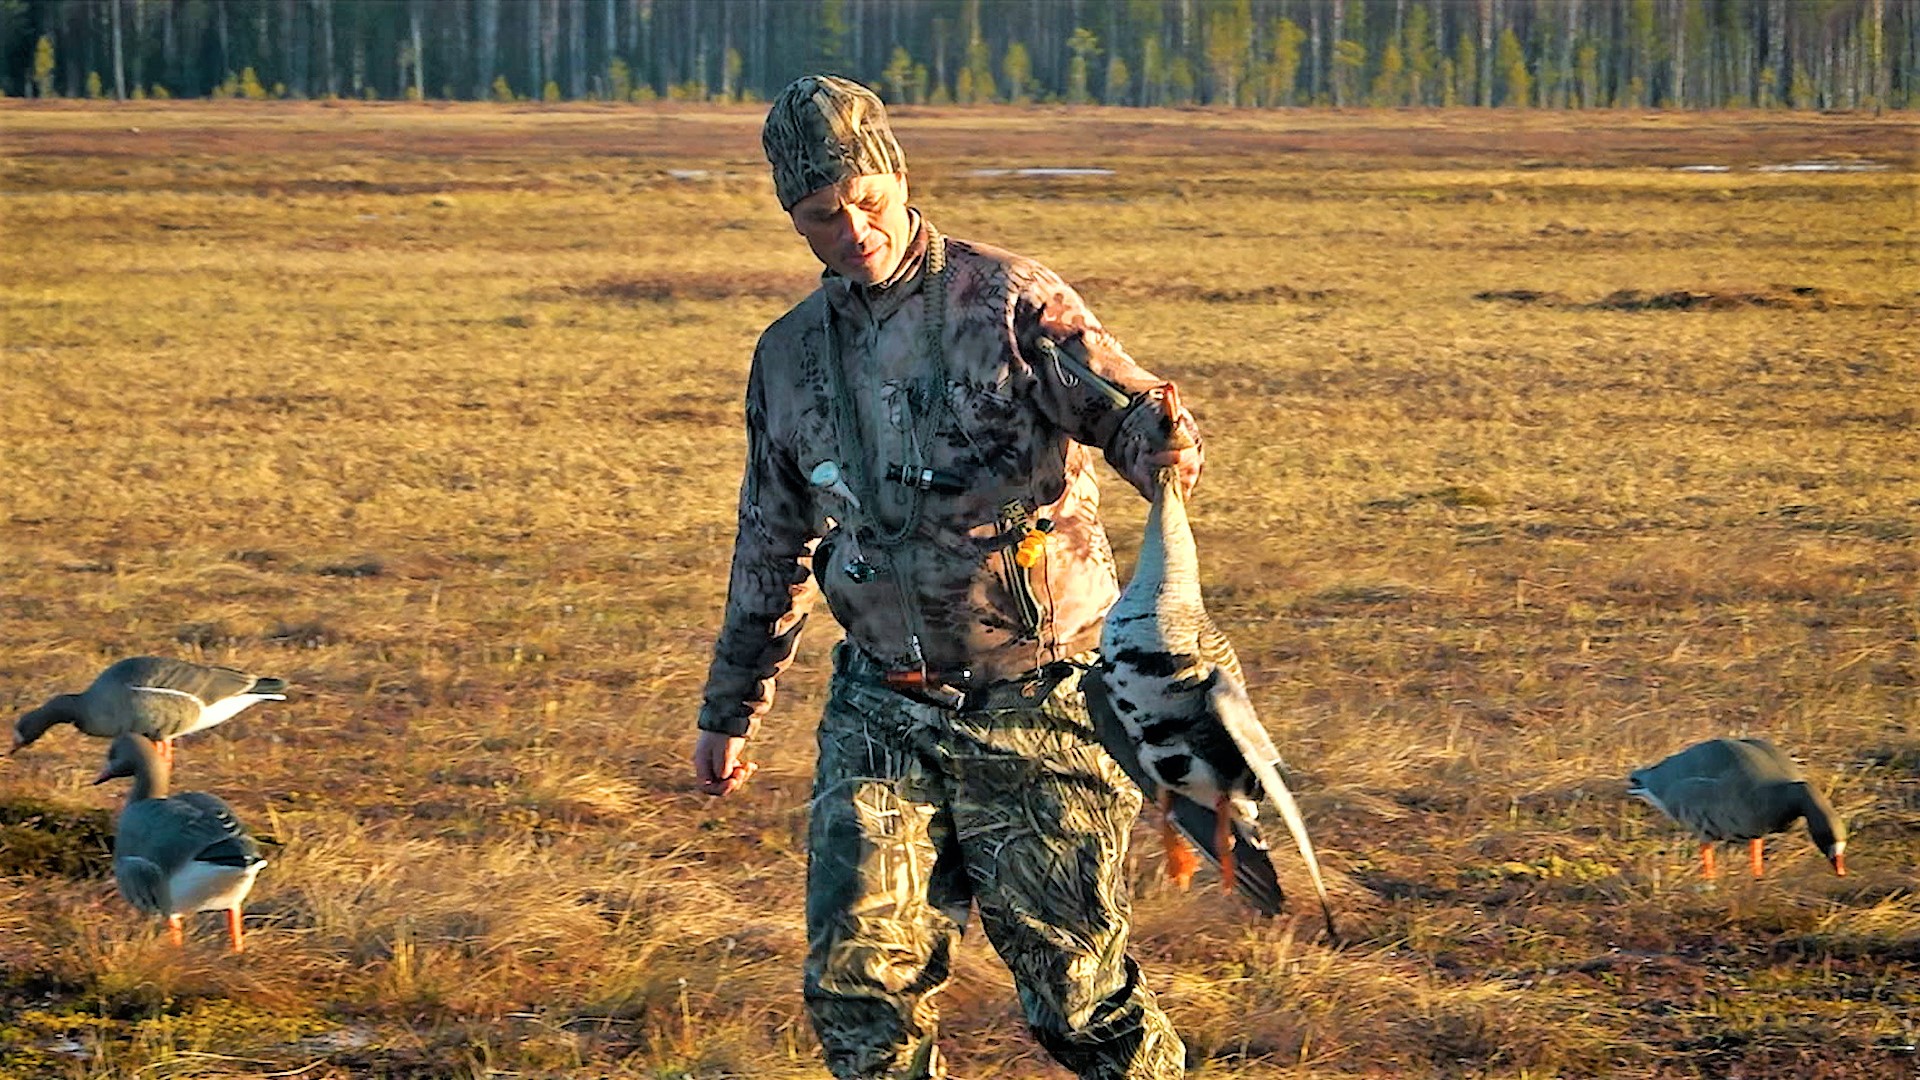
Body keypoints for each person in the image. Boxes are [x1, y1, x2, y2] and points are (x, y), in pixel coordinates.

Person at [692, 74, 1203, 1080]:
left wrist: (1162, 447)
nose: (854, 231)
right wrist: (731, 706)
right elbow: (771, 539)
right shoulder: (789, 357)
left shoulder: (1011, 299)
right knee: (858, 990)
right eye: (822, 216)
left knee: (1076, 999)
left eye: (867, 203)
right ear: (792, 219)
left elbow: (1128, 409)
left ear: (898, 176)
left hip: (1045, 701)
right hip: (881, 708)